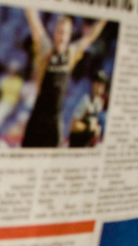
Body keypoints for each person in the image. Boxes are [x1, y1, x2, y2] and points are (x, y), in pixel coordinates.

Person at [20, 10, 107, 147]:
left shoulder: (71, 53)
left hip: (54, 122)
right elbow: (34, 22)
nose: (62, 36)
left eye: (65, 33)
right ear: (55, 33)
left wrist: (104, 17)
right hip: (37, 120)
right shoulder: (46, 50)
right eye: (59, 32)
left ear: (69, 36)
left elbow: (90, 36)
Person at [68, 70, 108, 148]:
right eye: (98, 84)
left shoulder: (99, 102)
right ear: (93, 84)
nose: (100, 87)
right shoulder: (85, 100)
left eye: (102, 85)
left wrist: (97, 128)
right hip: (77, 143)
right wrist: (88, 127)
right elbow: (73, 125)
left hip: (87, 142)